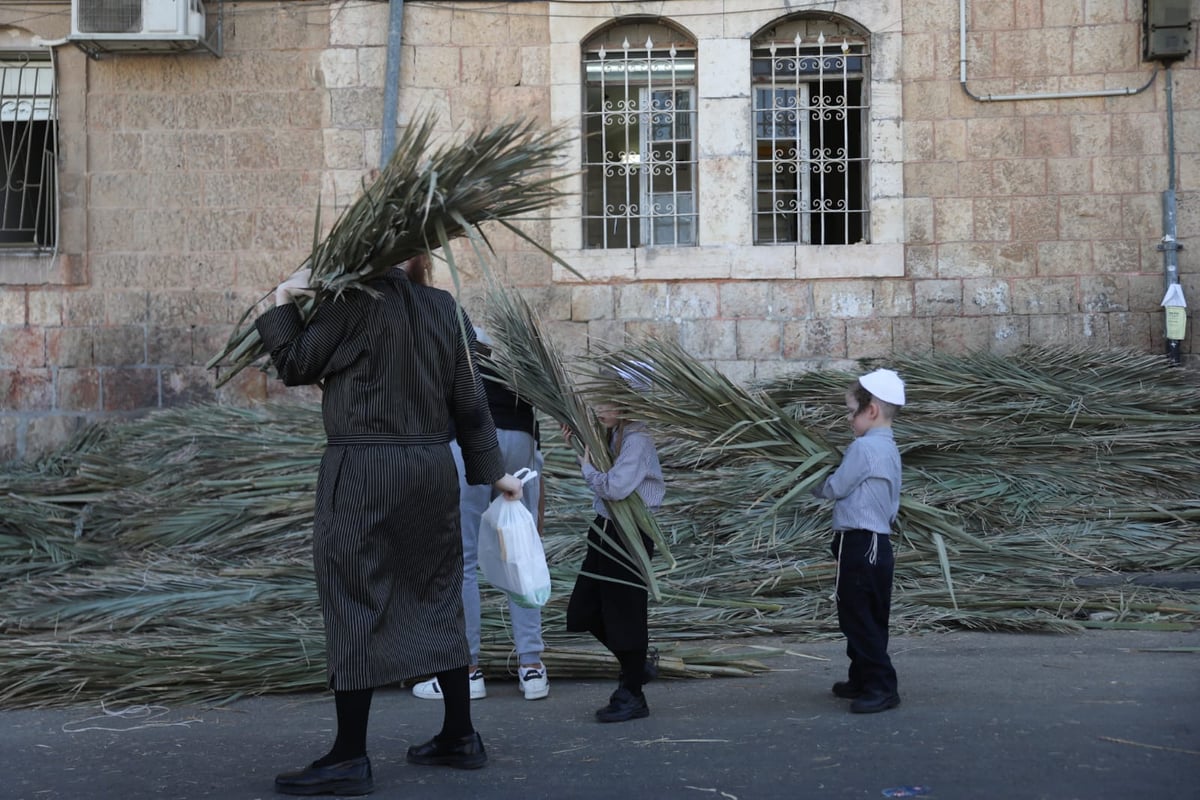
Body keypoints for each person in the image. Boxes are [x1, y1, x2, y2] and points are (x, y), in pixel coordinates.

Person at [257, 258, 523, 796]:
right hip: (429, 471)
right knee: (437, 591)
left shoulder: (350, 305)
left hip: (363, 472)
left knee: (354, 596)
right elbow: (471, 404)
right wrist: (496, 476)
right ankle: (459, 735)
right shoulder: (444, 308)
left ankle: (350, 756)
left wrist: (285, 294)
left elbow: (294, 364)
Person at [411, 326, 551, 703]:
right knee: (522, 551)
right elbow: (537, 428)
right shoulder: (511, 367)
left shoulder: (447, 363)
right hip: (519, 439)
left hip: (470, 441)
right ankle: (531, 667)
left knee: (466, 558)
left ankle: (468, 670)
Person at [563, 364, 665, 723]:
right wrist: (576, 439)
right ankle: (636, 666)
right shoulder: (615, 433)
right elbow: (601, 463)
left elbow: (616, 486)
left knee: (626, 616)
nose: (598, 409)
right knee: (582, 611)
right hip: (606, 530)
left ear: (626, 403)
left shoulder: (637, 438)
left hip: (631, 534)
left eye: (605, 402)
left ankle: (632, 693)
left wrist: (586, 469)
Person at [812, 368, 905, 714]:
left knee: (856, 617)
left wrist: (808, 479)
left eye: (851, 411)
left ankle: (882, 686)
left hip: (861, 543)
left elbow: (836, 487)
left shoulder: (864, 448)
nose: (848, 419)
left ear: (871, 410)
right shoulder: (889, 448)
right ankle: (862, 677)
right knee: (871, 614)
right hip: (879, 544)